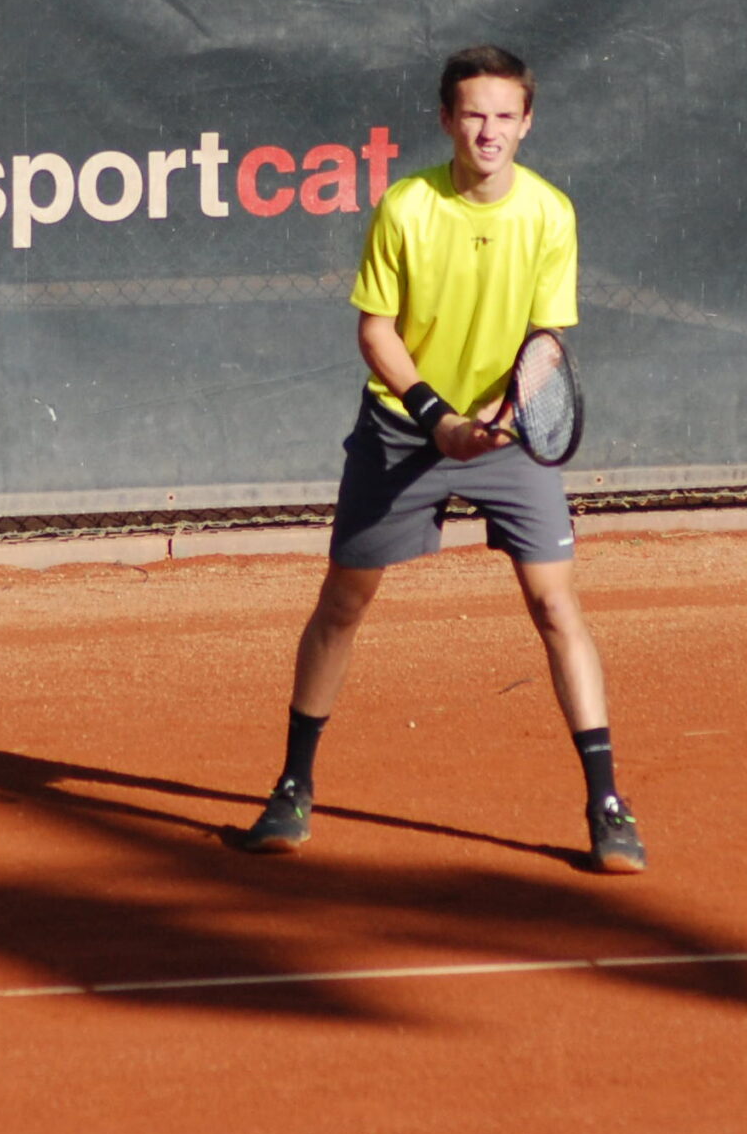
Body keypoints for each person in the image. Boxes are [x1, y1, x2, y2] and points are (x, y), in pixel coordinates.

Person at [231, 45, 645, 874]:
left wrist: (500, 417)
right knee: (343, 604)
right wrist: (438, 418)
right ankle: (293, 786)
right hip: (403, 426)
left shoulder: (549, 213)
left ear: (527, 123)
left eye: (505, 116)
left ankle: (607, 803)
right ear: (447, 119)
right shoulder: (407, 207)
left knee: (555, 606)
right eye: (474, 114)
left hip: (505, 434)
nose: (489, 131)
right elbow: (376, 330)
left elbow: (546, 341)